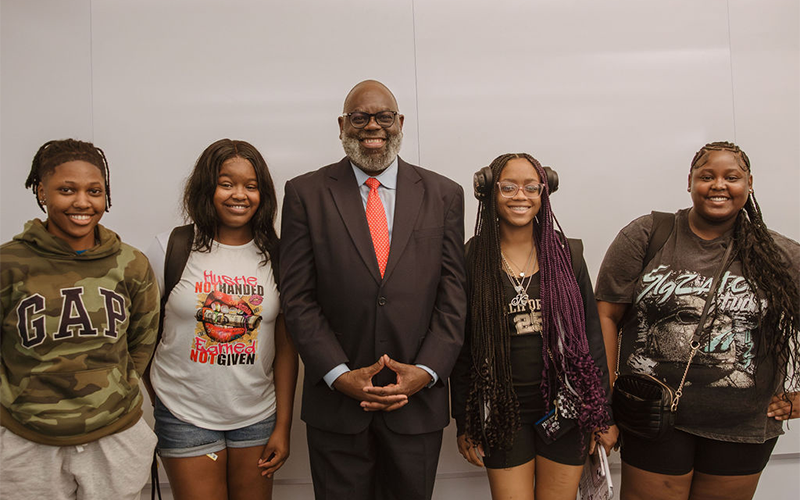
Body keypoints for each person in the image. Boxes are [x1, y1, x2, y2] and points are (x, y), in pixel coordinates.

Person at [279, 80, 467, 500]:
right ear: (343, 124)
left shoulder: (444, 194)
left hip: (417, 404)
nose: (372, 126)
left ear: (399, 122)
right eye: (360, 117)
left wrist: (427, 372)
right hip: (337, 407)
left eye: (383, 117)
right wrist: (337, 375)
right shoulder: (305, 194)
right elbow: (297, 299)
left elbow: (454, 296)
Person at [595, 141, 800, 500]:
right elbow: (605, 315)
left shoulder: (778, 253)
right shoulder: (648, 234)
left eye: (731, 177)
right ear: (689, 181)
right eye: (707, 176)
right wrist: (604, 396)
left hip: (743, 424)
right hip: (652, 418)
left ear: (749, 183)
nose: (718, 185)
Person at [451, 153, 617, 500]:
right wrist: (463, 421)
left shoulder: (566, 254)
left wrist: (602, 414)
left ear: (544, 193)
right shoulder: (473, 260)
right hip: (502, 412)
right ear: (489, 192)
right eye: (508, 187)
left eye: (531, 187)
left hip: (566, 410)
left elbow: (591, 339)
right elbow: (462, 349)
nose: (520, 196)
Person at [0, 139, 159, 499]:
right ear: (42, 191)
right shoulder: (7, 264)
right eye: (66, 190)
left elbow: (141, 342)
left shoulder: (131, 264)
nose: (82, 202)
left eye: (94, 191)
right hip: (26, 443)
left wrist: (116, 390)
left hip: (114, 436)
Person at [145, 139, 297, 500]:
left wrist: (283, 425)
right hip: (184, 416)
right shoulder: (170, 247)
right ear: (206, 187)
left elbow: (287, 349)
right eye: (226, 183)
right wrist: (162, 399)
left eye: (251, 185)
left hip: (257, 416)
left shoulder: (277, 255)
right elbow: (143, 337)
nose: (238, 195)